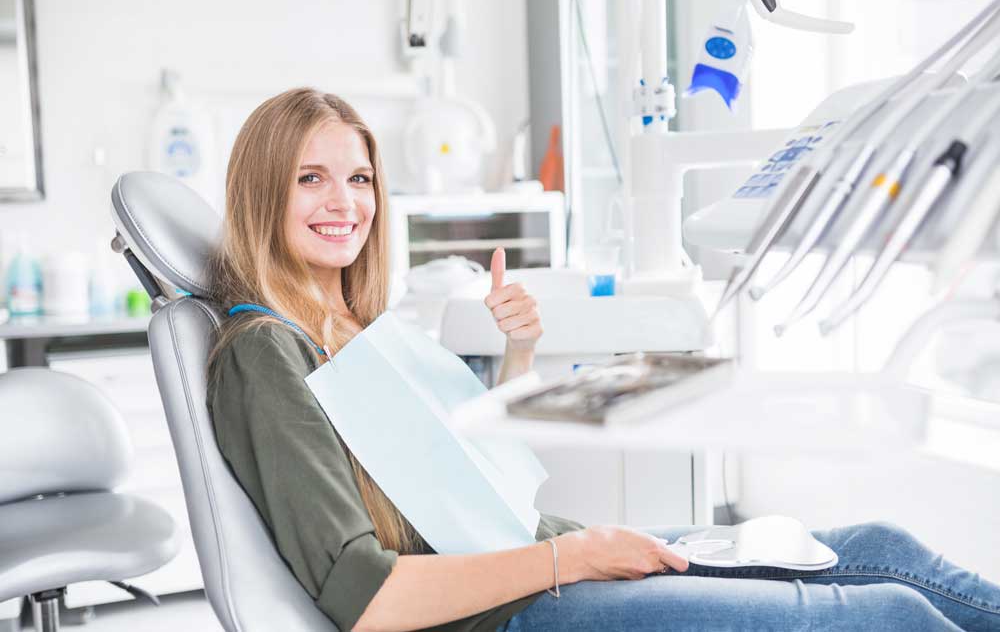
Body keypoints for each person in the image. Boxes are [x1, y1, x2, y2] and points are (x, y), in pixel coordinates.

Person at [205, 88, 1000, 632]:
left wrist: (519, 350)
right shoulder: (265, 352)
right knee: (889, 615)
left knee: (881, 549)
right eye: (311, 179)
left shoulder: (352, 325)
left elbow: (463, 473)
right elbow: (367, 597)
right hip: (511, 609)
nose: (344, 203)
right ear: (262, 192)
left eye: (359, 178)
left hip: (547, 553)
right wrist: (568, 557)